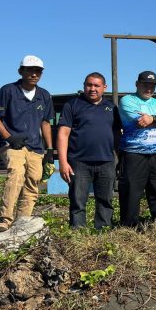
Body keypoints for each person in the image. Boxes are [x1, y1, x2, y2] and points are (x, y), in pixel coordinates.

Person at [0, 55, 55, 232]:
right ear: (21, 71)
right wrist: (9, 137)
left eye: (38, 71)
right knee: (16, 173)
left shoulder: (44, 95)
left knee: (34, 180)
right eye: (30, 70)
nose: (34, 74)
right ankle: (4, 219)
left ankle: (23, 221)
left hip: (35, 145)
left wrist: (49, 149)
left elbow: (46, 123)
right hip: (11, 143)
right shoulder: (8, 90)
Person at [57, 72, 118, 230]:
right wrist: (63, 162)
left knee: (105, 201)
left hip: (106, 161)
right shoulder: (72, 105)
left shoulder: (111, 108)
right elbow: (63, 134)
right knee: (78, 201)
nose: (92, 89)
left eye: (96, 85)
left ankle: (103, 232)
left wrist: (120, 158)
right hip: (79, 162)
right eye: (89, 85)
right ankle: (78, 233)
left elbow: (118, 135)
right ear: (84, 85)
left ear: (104, 87)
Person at [117, 70, 156, 227]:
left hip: (155, 154)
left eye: (152, 85)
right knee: (131, 193)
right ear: (137, 84)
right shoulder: (127, 100)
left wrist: (154, 118)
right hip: (133, 154)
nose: (149, 88)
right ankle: (129, 227)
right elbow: (141, 121)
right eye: (145, 84)